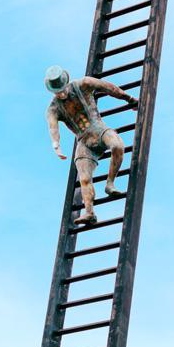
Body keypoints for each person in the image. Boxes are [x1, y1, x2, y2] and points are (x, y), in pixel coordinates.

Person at [44, 65, 136, 226]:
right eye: (57, 91)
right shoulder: (53, 108)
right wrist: (56, 144)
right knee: (84, 178)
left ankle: (110, 183)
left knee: (117, 145)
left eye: (62, 89)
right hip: (84, 140)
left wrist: (128, 99)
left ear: (66, 82)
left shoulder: (83, 84)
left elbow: (109, 88)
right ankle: (89, 212)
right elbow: (53, 127)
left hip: (98, 129)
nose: (62, 93)